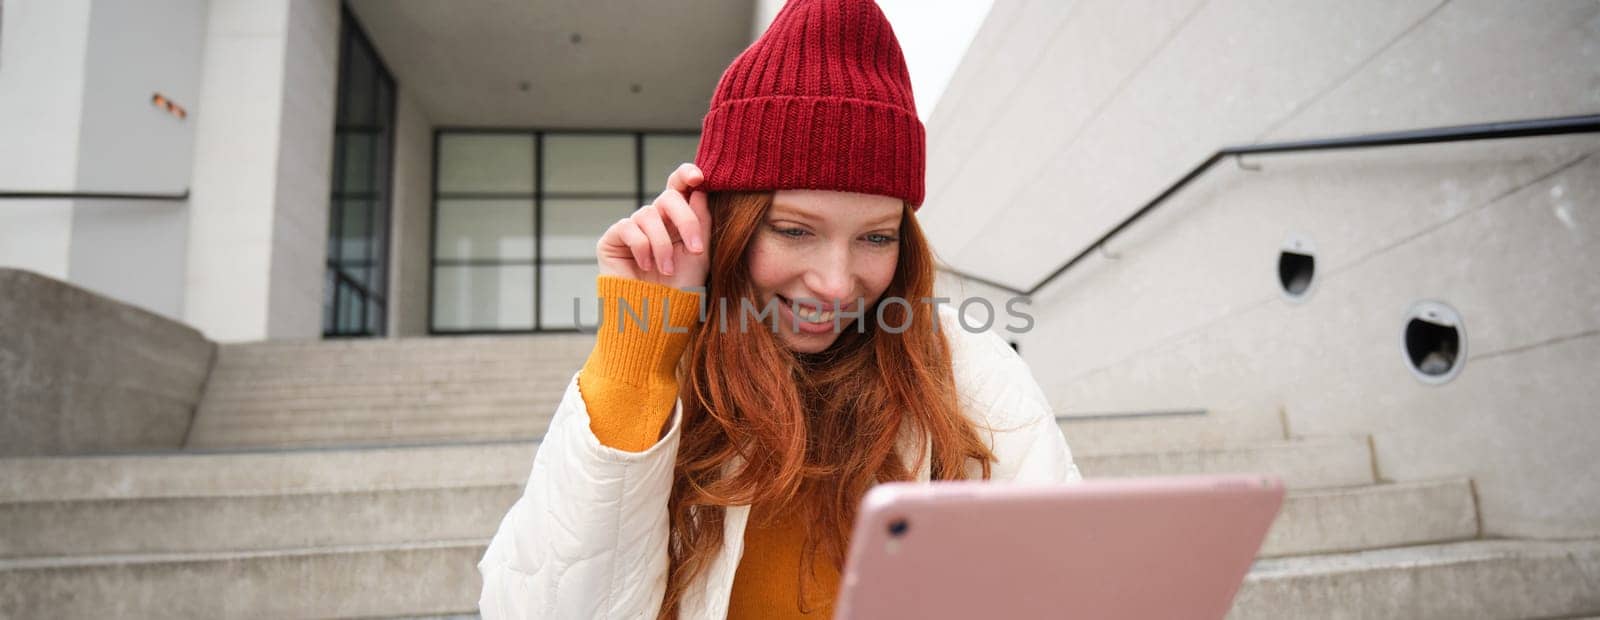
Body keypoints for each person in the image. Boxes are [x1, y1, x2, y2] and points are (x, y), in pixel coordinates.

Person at [477, 1, 1080, 617]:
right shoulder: (664, 370)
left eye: (876, 237)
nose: (836, 285)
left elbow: (1062, 586)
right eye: (793, 230)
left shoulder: (968, 370)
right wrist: (637, 350)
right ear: (727, 225)